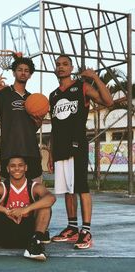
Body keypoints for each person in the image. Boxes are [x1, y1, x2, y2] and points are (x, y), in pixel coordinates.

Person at [48, 54, 113, 249]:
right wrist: (50, 154)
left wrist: (94, 77)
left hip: (77, 144)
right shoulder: (53, 95)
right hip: (59, 146)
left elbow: (108, 101)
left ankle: (86, 230)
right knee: (67, 190)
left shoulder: (82, 87)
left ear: (71, 67)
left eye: (65, 64)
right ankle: (72, 227)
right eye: (58, 64)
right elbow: (54, 126)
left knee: (81, 188)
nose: (61, 67)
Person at [0, 157, 56, 263]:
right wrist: (6, 211)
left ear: (25, 168)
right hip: (4, 235)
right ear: (8, 169)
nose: (17, 168)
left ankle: (35, 244)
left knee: (45, 207)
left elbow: (51, 198)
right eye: (13, 166)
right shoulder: (2, 187)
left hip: (27, 236)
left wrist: (25, 210)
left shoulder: (34, 186)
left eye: (20, 165)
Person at [0, 56, 43, 181]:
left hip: (30, 150)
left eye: (26, 70)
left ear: (30, 75)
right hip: (10, 150)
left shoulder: (33, 99)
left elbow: (33, 127)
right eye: (19, 69)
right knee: (10, 193)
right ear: (13, 72)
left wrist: (38, 122)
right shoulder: (3, 93)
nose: (23, 72)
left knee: (33, 191)